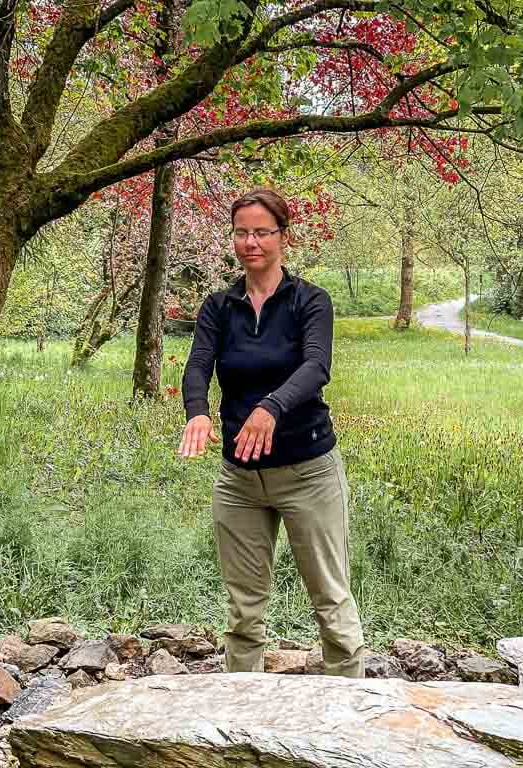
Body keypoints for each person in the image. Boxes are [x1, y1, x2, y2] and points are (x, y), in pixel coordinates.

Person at [178, 188, 365, 678]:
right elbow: (198, 364)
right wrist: (197, 411)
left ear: (283, 236)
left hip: (307, 472)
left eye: (262, 232)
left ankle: (348, 717)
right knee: (243, 611)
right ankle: (244, 723)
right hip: (239, 480)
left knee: (330, 598)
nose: (250, 242)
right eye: (242, 232)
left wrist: (270, 407)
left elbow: (315, 367)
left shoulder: (310, 301)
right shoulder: (219, 307)